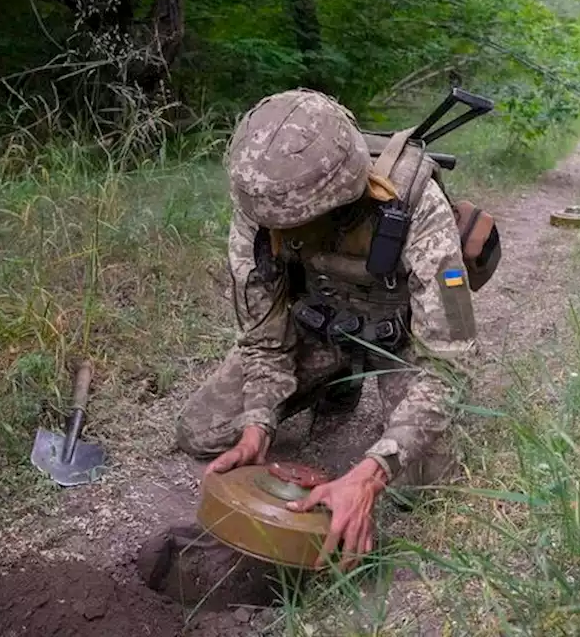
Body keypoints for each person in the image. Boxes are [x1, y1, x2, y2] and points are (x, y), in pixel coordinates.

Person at [175, 88, 477, 569]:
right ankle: (335, 377)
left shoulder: (418, 204)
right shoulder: (261, 205)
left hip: (397, 344)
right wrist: (258, 421)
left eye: (295, 224)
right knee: (203, 430)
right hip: (316, 330)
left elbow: (449, 363)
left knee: (419, 487)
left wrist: (374, 471)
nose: (275, 235)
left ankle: (351, 381)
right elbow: (263, 338)